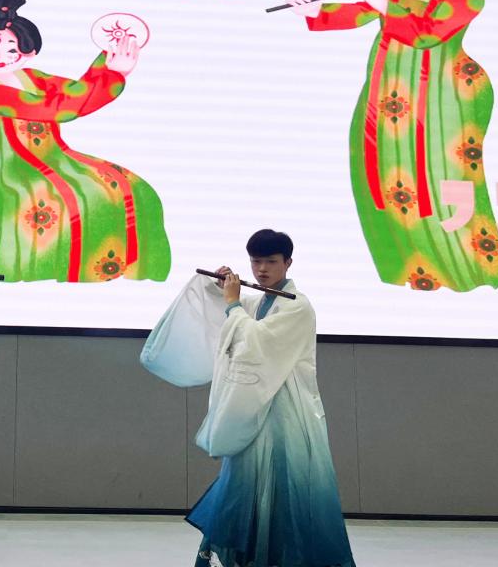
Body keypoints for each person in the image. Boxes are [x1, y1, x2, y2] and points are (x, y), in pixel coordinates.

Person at [287, 0, 498, 292]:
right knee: (382, 168)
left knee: (434, 172)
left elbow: (427, 35)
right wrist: (315, 11)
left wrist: (384, 5)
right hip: (388, 89)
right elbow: (362, 12)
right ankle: (402, 264)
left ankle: (459, 268)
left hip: (438, 97)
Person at [141, 229, 354, 567]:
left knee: (287, 492)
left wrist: (232, 303)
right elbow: (234, 314)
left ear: (288, 263)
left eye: (271, 261)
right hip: (254, 408)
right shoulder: (261, 301)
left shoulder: (297, 306)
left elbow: (253, 342)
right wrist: (221, 288)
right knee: (243, 485)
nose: (262, 269)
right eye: (256, 262)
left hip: (286, 413)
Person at [0, 0, 171, 283]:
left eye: (11, 49)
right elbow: (59, 109)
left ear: (29, 53)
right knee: (64, 199)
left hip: (52, 157)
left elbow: (75, 91)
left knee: (127, 184)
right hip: (3, 170)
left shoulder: (32, 78)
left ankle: (134, 265)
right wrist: (113, 75)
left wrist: (107, 61)